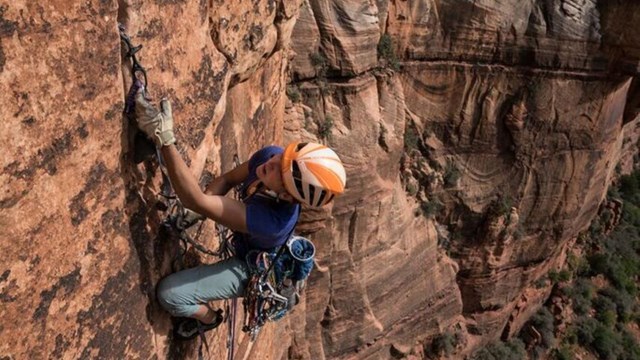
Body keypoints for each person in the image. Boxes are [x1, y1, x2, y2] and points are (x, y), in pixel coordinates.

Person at [132, 87, 347, 338]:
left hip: (249, 266)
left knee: (170, 294)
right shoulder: (272, 157)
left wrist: (164, 139)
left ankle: (209, 319)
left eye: (282, 171)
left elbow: (193, 198)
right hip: (249, 238)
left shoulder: (271, 223)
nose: (274, 162)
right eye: (284, 156)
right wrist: (200, 210)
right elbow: (228, 179)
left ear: (288, 196)